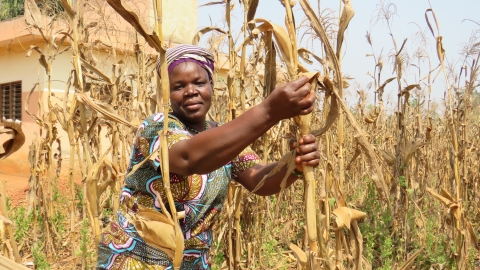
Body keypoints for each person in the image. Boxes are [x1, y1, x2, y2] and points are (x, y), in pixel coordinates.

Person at [97, 44, 319, 269]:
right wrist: (270, 111)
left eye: (199, 83)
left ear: (211, 85)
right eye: (178, 86)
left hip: (192, 262)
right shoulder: (155, 128)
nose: (190, 91)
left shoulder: (223, 136)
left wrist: (294, 164)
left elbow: (258, 180)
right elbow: (188, 159)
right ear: (166, 93)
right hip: (137, 259)